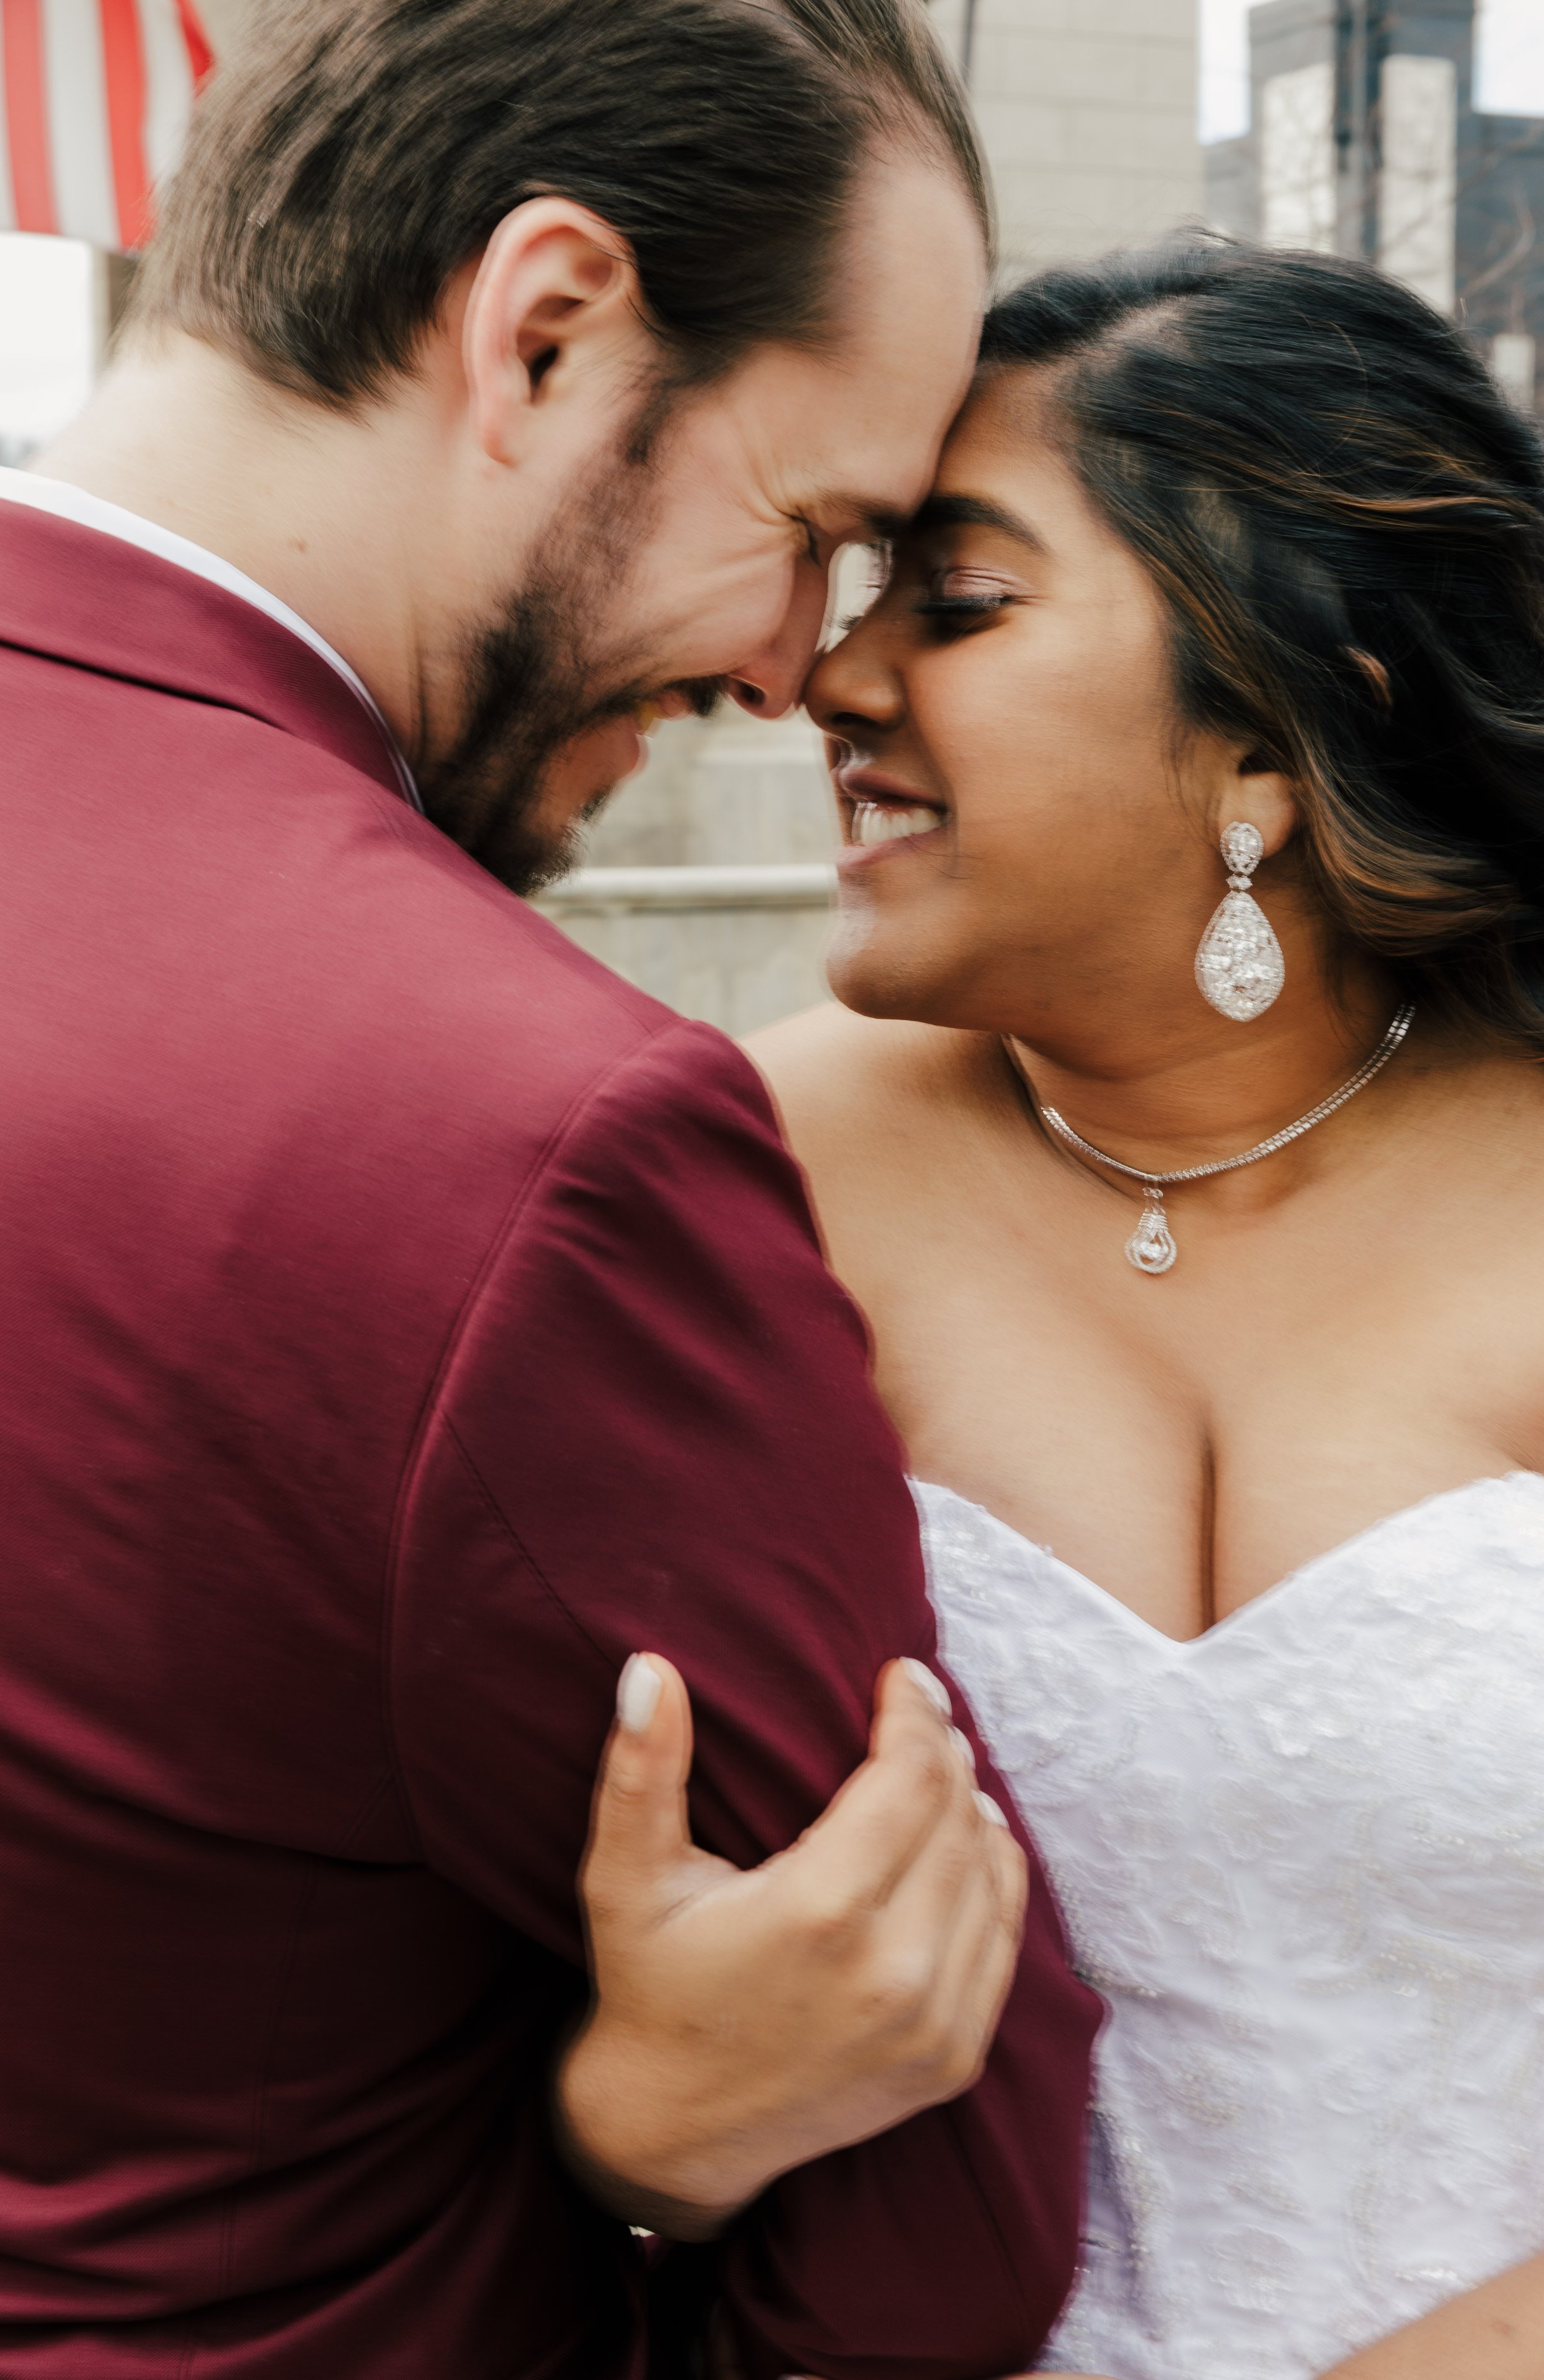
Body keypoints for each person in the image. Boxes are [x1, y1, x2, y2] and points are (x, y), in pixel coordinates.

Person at [0, 4, 1103, 2376]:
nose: (804, 673)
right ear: (545, 326)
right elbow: (941, 2229)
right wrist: (625, 2134)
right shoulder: (527, 1132)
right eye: (819, 536)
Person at [752, 235, 1544, 2380]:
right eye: (853, 595)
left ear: (1281, 734)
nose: (833, 683)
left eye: (961, 598)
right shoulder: (757, 1172)